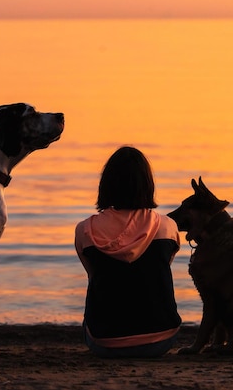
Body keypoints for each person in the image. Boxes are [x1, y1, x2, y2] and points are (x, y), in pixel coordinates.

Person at [75, 146, 182, 358]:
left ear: (106, 185)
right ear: (147, 184)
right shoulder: (168, 227)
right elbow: (158, 271)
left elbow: (93, 276)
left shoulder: (86, 230)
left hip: (104, 342)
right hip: (161, 338)